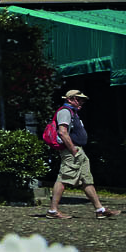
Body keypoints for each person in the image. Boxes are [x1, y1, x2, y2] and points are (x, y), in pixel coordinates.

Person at [47, 88, 111, 219]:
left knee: (86, 180)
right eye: (78, 99)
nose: (81, 102)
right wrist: (73, 150)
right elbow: (62, 132)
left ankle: (100, 209)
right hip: (72, 151)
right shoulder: (65, 112)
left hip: (77, 150)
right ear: (70, 99)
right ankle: (53, 211)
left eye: (82, 100)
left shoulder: (72, 112)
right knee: (63, 178)